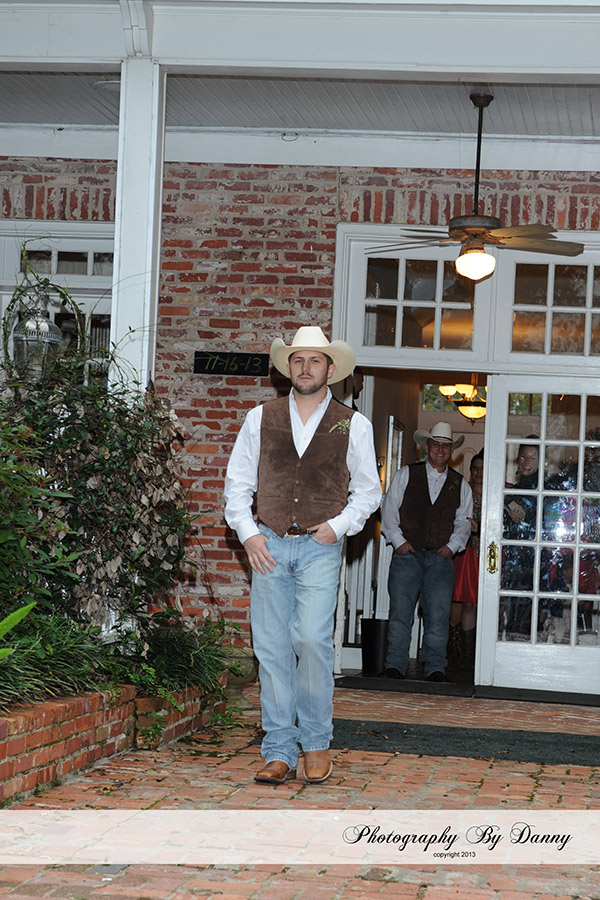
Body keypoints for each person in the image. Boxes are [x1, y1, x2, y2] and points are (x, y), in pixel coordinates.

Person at [224, 325, 381, 786]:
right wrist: (249, 535)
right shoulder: (260, 418)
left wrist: (338, 526)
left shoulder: (353, 424)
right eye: (298, 360)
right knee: (271, 649)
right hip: (269, 545)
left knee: (312, 641)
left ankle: (315, 743)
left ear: (330, 370)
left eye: (315, 360)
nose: (306, 367)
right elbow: (237, 485)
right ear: (287, 368)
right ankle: (278, 749)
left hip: (319, 547)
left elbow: (368, 492)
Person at [380, 421, 473, 682]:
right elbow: (389, 510)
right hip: (406, 556)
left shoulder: (460, 484)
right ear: (427, 446)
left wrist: (451, 548)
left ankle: (435, 667)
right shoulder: (406, 474)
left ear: (452, 450)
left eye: (446, 445)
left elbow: (464, 522)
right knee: (400, 613)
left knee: (438, 615)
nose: (441, 449)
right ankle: (395, 664)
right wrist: (399, 542)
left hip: (440, 560)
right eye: (436, 444)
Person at [448, 449, 484, 669]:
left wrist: (480, 528)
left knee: (479, 603)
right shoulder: (463, 491)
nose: (479, 472)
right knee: (460, 600)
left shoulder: (497, 492)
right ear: (470, 470)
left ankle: (474, 653)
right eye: (475, 468)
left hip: (487, 554)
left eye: (483, 468)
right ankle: (458, 651)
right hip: (464, 553)